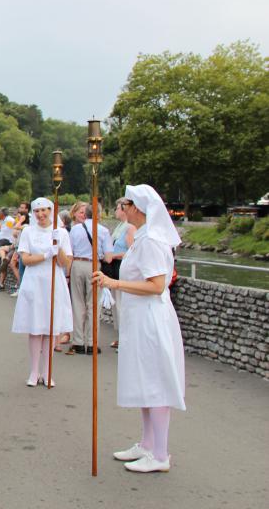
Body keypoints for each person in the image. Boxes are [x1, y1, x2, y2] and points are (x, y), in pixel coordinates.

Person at [93, 184, 185, 473]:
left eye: (128, 202)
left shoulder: (151, 241)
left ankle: (160, 453)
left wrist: (114, 283)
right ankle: (148, 444)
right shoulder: (144, 237)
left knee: (156, 383)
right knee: (146, 381)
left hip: (150, 321)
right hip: (140, 318)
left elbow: (157, 285)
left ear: (139, 208)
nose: (125, 206)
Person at [11, 198, 73, 387]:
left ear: (51, 211)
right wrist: (45, 255)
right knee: (36, 328)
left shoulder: (61, 232)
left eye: (44, 210)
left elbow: (66, 264)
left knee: (50, 328)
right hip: (34, 281)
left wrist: (58, 247)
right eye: (37, 211)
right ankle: (34, 370)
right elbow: (26, 259)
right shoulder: (28, 231)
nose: (41, 215)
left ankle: (47, 371)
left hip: (54, 281)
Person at [67, 203, 114, 355]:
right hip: (95, 266)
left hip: (78, 264)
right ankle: (92, 342)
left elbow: (70, 251)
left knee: (78, 303)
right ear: (99, 215)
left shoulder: (75, 229)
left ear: (85, 214)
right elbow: (108, 257)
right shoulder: (104, 231)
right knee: (93, 305)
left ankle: (78, 342)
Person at [107, 197, 137, 349]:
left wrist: (114, 255)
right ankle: (120, 335)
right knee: (116, 305)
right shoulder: (120, 226)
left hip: (120, 268)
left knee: (120, 304)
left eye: (118, 208)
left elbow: (132, 252)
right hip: (114, 268)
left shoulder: (129, 228)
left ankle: (125, 338)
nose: (115, 211)